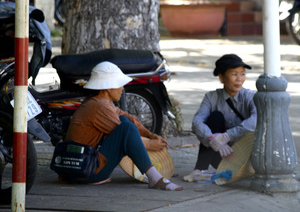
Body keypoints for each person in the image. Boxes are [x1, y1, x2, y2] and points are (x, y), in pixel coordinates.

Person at [65, 61, 183, 191]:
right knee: (126, 128)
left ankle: (154, 176)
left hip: (79, 170)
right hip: (85, 172)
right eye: (119, 85)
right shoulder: (99, 107)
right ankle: (155, 178)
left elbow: (128, 118)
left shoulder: (100, 103)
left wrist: (149, 134)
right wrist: (150, 144)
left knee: (125, 122)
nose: (122, 88)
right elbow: (127, 135)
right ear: (109, 87)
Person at [184, 53, 257, 182]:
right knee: (215, 117)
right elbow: (196, 122)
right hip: (221, 153)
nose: (239, 79)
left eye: (242, 74)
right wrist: (213, 140)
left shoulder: (250, 97)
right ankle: (199, 170)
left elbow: (256, 120)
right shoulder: (211, 97)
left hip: (245, 155)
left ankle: (225, 170)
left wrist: (227, 136)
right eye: (234, 74)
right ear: (221, 77)